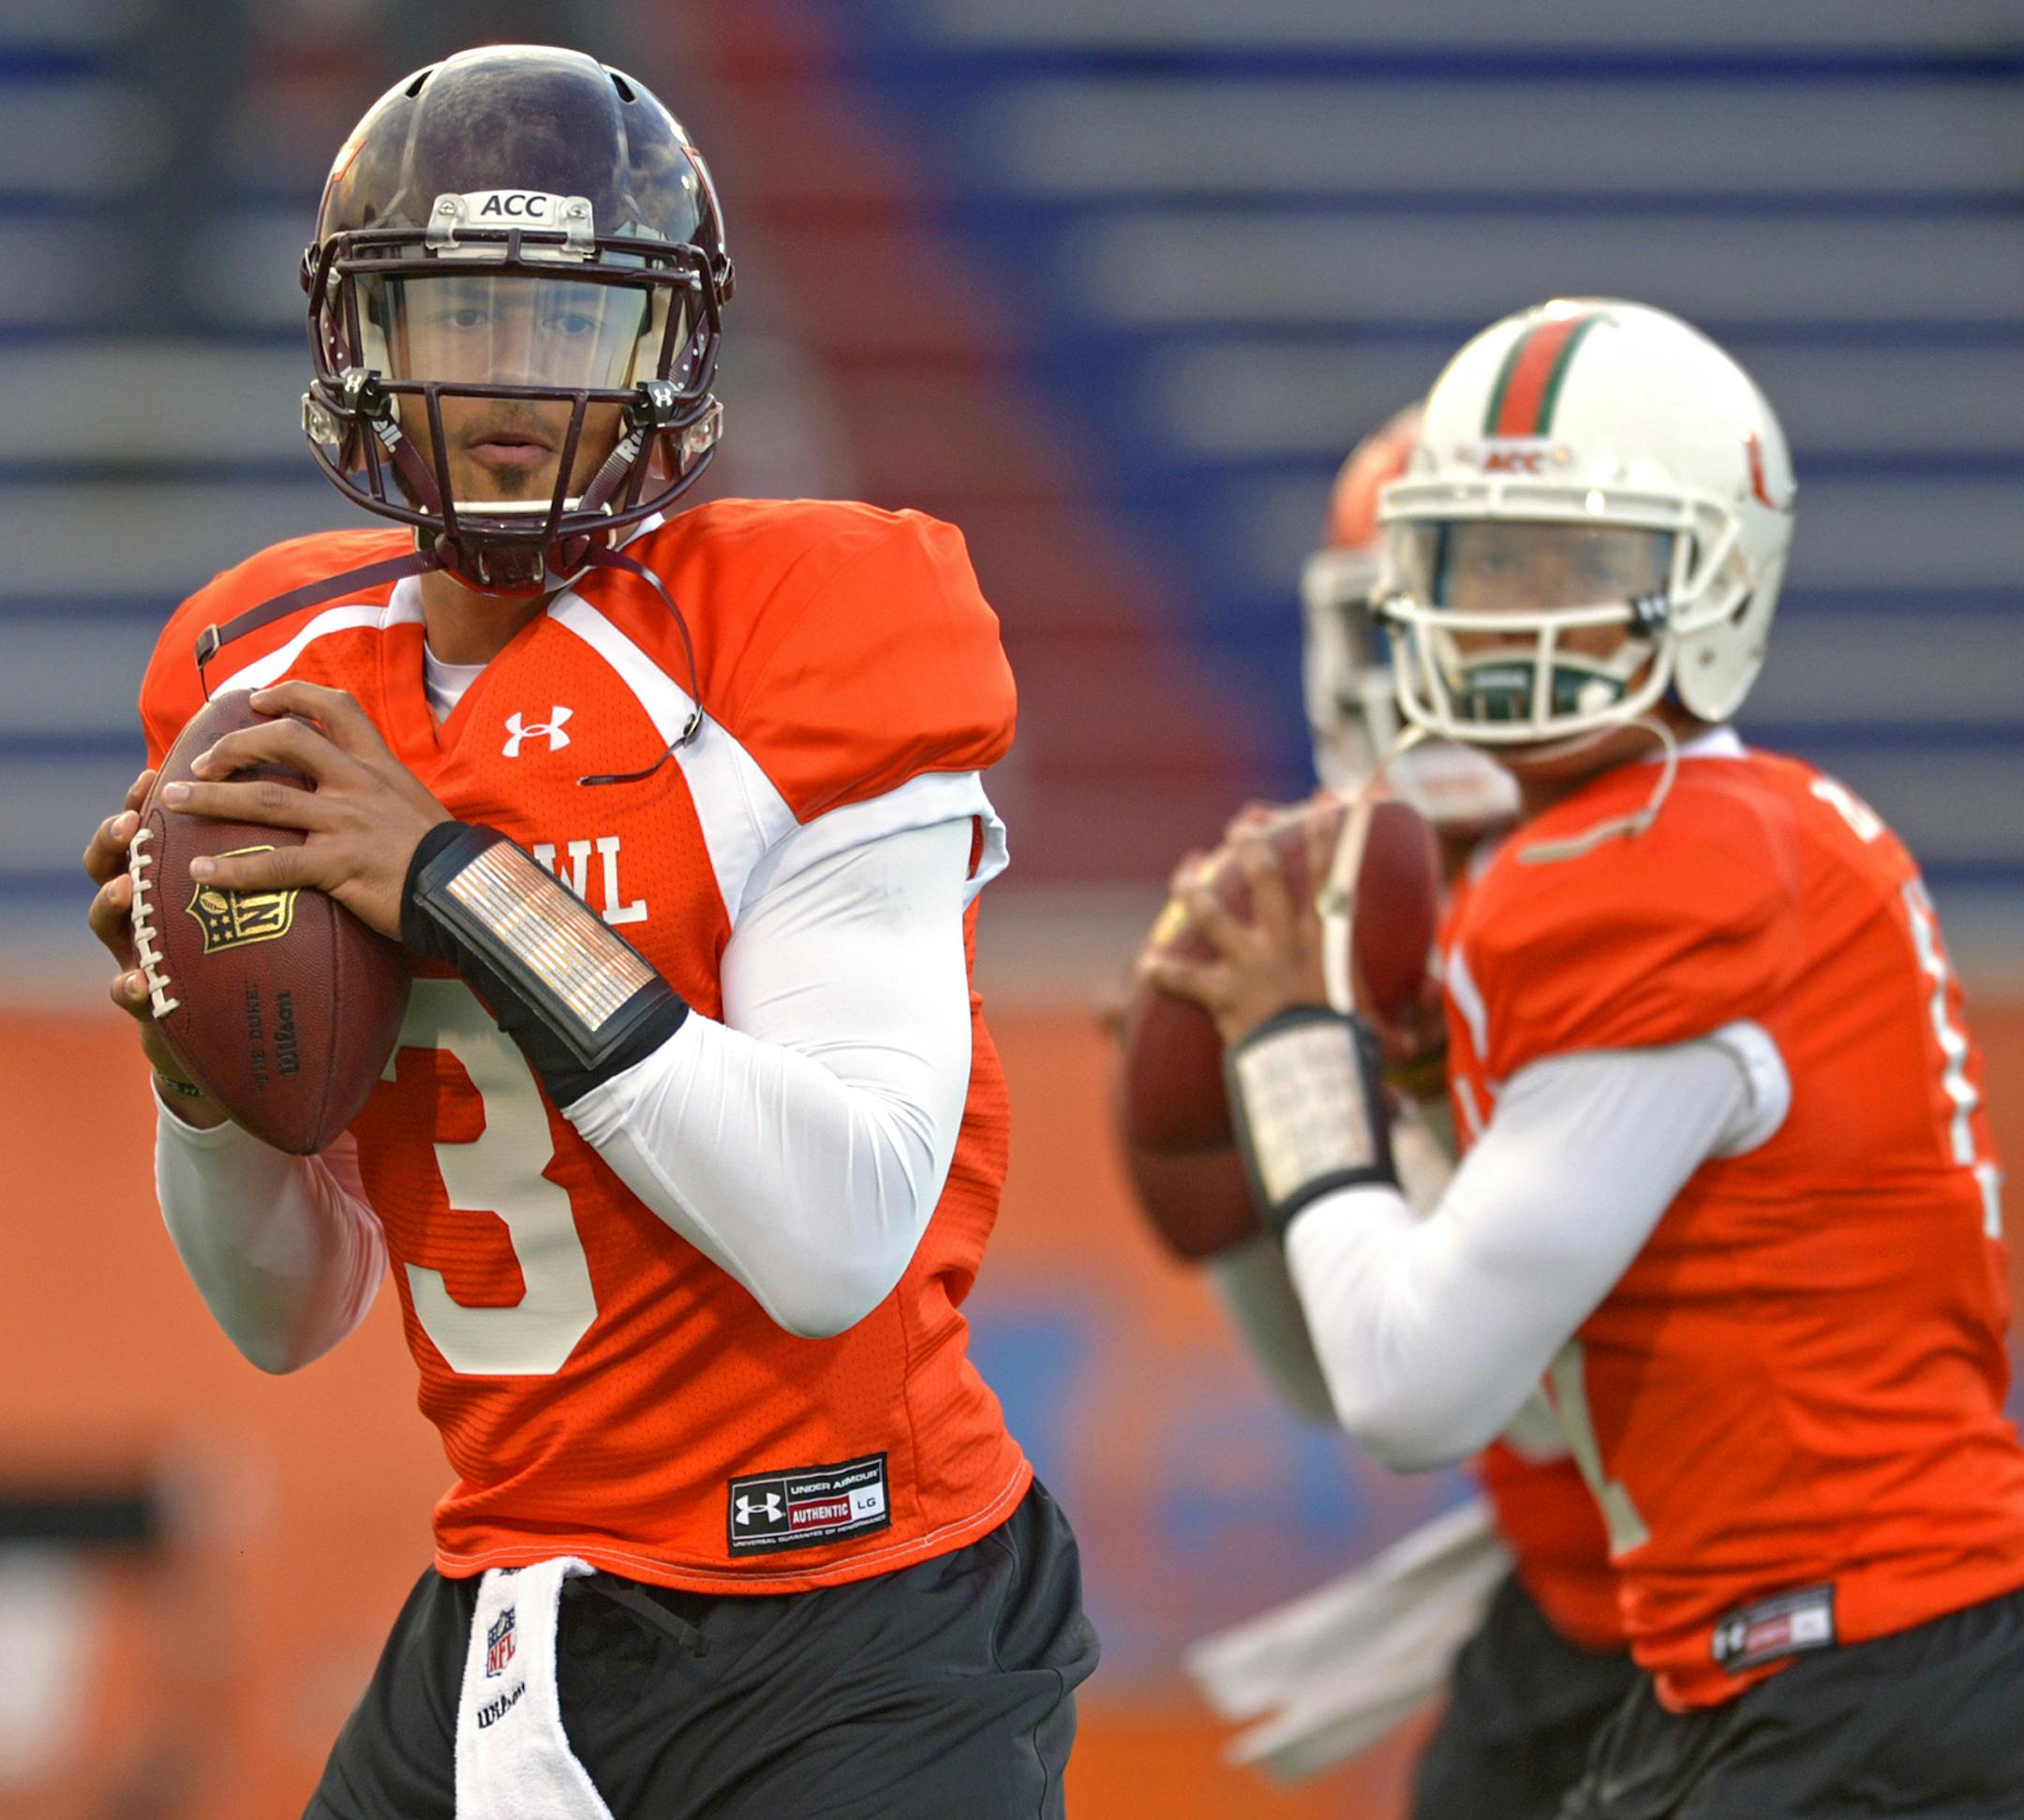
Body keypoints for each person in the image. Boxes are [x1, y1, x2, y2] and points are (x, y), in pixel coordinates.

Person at [79, 46, 1094, 1819]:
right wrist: (203, 1081)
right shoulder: (264, 677)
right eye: (457, 315)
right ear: (361, 343)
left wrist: (461, 883)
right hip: (509, 1595)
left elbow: (842, 1226)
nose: (507, 386)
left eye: (565, 327)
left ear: (662, 357)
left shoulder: (792, 635)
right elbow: (289, 1312)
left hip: (853, 1616)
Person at [1146, 298, 2024, 1816]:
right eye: (1478, 565)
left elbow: (1417, 1389)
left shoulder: (1653, 867)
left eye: (1574, 565)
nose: (1509, 621)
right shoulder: (1730, 826)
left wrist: (1296, 1048)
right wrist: (1419, 1075)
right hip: (1804, 1654)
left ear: (1716, 581)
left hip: (1855, 1666)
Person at [1140, 410, 1637, 1818]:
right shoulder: (1367, 909)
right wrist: (1227, 1158)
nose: (1441, 671)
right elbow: (1330, 1379)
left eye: (1492, 613)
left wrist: (1305, 1070)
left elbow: (1484, 1367)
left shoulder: (1656, 895)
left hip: (1764, 1600)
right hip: (1568, 1594)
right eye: (1410, 619)